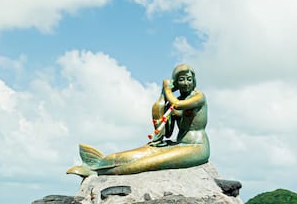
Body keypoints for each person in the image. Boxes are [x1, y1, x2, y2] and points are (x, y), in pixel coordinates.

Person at [67, 63, 210, 176]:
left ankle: (98, 172)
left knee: (148, 163)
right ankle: (99, 162)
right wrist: (162, 95)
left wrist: (167, 90)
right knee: (138, 153)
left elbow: (177, 105)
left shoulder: (198, 97)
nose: (185, 83)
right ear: (176, 83)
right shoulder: (178, 98)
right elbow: (166, 130)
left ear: (194, 81)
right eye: (181, 79)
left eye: (189, 79)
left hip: (196, 147)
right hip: (178, 144)